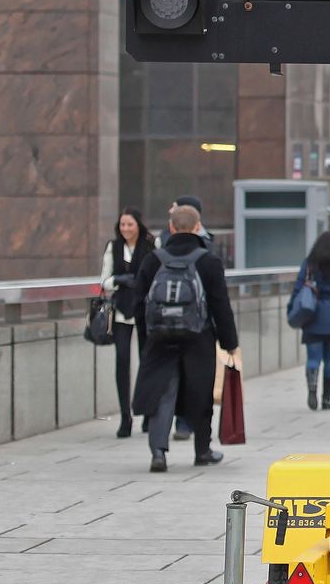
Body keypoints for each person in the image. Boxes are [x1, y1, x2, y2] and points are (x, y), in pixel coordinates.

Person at [131, 203, 239, 472]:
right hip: (198, 337)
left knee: (162, 394)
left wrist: (147, 338)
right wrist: (229, 342)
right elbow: (220, 305)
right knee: (200, 393)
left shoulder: (154, 259)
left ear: (171, 227)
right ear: (196, 227)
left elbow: (138, 302)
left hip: (160, 339)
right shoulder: (208, 261)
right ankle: (202, 450)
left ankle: (158, 452)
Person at [100, 209, 155, 439]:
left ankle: (147, 413)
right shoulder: (114, 247)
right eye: (122, 225)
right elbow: (104, 281)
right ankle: (125, 416)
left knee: (147, 361)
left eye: (129, 225)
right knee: (122, 360)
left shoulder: (151, 245)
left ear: (138, 225)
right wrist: (119, 280)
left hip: (144, 311)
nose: (125, 229)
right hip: (122, 311)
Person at [166, 196, 214, 440]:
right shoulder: (208, 250)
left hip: (165, 324)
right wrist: (229, 339)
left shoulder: (162, 248)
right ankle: (201, 444)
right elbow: (218, 294)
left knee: (176, 378)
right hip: (199, 326)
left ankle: (170, 433)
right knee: (198, 380)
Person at [295, 231, 330, 411]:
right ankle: (327, 398)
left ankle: (312, 391)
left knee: (313, 357)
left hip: (313, 312)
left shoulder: (311, 263)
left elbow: (299, 286)